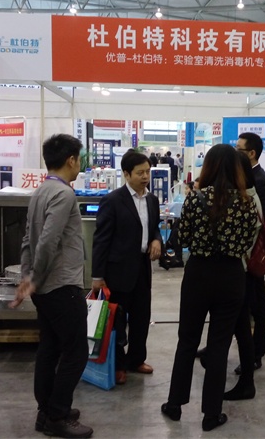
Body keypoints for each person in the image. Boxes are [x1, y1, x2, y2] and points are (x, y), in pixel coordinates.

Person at [161, 144, 259, 432]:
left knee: (187, 340)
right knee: (219, 345)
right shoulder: (246, 202)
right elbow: (247, 243)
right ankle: (211, 414)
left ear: (209, 167)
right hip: (231, 276)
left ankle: (175, 404)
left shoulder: (195, 198)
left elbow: (182, 238)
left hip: (198, 274)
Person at [11, 134, 93, 438]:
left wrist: (29, 276)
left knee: (49, 348)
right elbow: (47, 241)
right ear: (71, 160)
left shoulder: (41, 191)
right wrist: (33, 278)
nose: (79, 164)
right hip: (62, 286)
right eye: (79, 158)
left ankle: (45, 411)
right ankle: (57, 415)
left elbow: (27, 240)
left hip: (45, 288)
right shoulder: (63, 194)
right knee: (76, 352)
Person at [92, 151, 161, 385]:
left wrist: (156, 239)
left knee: (142, 317)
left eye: (147, 172)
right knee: (118, 321)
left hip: (142, 267)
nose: (145, 177)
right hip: (118, 271)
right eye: (140, 173)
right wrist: (97, 275)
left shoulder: (151, 200)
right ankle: (119, 365)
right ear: (126, 174)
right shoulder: (113, 200)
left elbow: (154, 227)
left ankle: (136, 359)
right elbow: (101, 240)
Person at [228, 132, 265, 396]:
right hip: (245, 256)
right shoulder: (246, 177)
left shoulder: (260, 180)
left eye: (239, 148)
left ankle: (256, 354)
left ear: (251, 153)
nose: (236, 152)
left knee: (257, 304)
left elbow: (260, 223)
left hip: (253, 256)